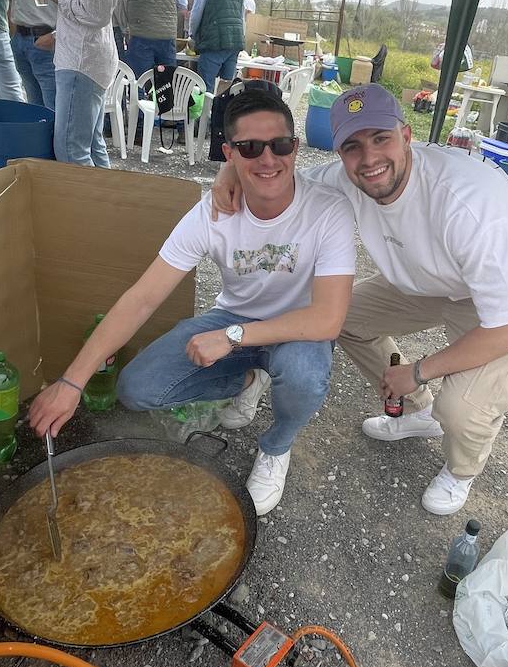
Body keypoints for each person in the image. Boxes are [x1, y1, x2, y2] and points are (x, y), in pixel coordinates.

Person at [213, 84, 508, 516]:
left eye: (380, 139)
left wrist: (417, 371)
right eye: (353, 146)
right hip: (436, 281)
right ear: (340, 153)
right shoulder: (345, 179)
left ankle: (461, 471)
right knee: (338, 317)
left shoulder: (466, 201)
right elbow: (280, 175)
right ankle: (418, 415)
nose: (368, 159)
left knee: (461, 408)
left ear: (406, 136)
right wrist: (230, 170)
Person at [29, 88, 355, 515]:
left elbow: (328, 320)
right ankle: (247, 380)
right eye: (250, 148)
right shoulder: (212, 212)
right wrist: (72, 382)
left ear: (296, 147)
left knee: (301, 373)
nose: (268, 159)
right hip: (232, 316)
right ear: (229, 153)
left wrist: (233, 337)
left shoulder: (328, 209)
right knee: (136, 388)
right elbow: (143, 298)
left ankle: (276, 446)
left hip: (299, 327)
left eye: (280, 145)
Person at [25, 0, 117, 168]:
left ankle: (89, 208)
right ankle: (107, 207)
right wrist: (58, 36)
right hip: (85, 53)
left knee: (70, 151)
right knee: (90, 147)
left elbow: (95, 12)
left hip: (81, 58)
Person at [187, 0, 244, 92]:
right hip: (235, 43)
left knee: (205, 89)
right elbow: (242, 16)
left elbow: (196, 14)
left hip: (213, 44)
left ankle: (206, 114)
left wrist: (192, 35)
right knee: (225, 88)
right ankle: (221, 113)